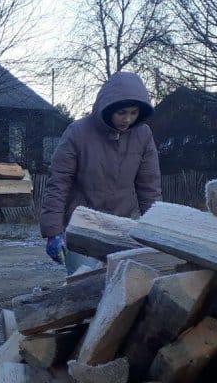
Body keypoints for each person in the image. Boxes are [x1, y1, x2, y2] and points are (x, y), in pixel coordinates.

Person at [40, 71, 162, 273]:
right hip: (81, 227)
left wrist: (157, 229)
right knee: (83, 287)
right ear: (107, 108)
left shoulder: (143, 135)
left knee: (120, 289)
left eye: (133, 113)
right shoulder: (77, 132)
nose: (128, 119)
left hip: (121, 225)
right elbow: (58, 183)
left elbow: (149, 186)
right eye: (122, 113)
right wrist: (53, 231)